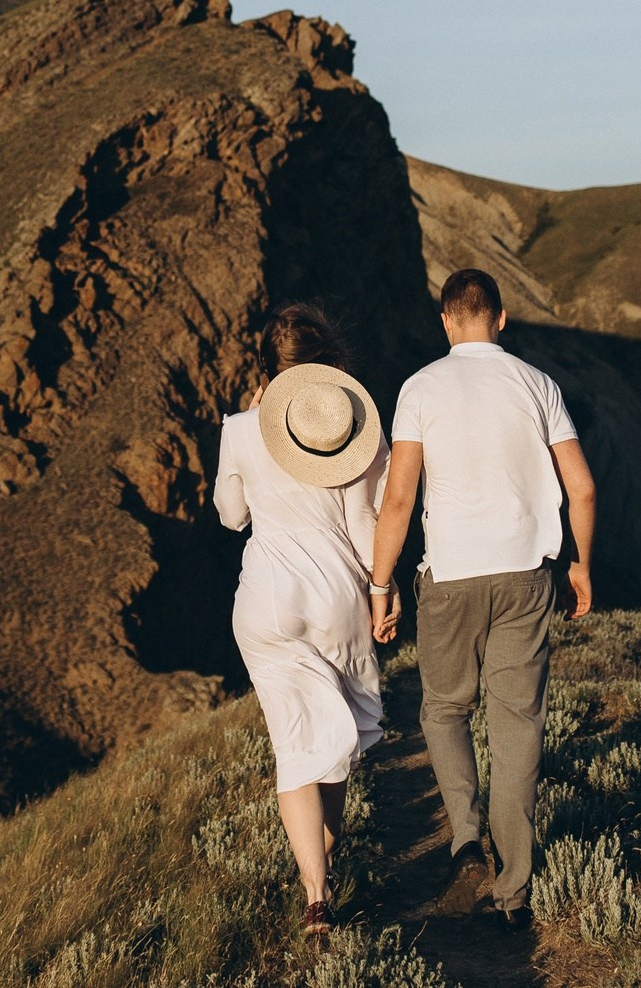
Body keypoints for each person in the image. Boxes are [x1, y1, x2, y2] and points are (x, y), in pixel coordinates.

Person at [368, 268, 597, 928]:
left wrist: (381, 584)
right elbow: (580, 488)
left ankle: (466, 837)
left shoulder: (419, 388)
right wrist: (580, 564)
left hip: (453, 575)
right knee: (516, 724)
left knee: (443, 710)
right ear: (501, 319)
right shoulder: (538, 384)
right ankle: (514, 892)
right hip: (528, 571)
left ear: (446, 321)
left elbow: (400, 497)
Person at [215, 303, 391, 936]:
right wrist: (383, 588)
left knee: (293, 749)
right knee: (337, 745)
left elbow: (231, 516)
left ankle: (315, 895)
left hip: (265, 599)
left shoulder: (240, 428)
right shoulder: (355, 430)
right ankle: (327, 863)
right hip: (336, 598)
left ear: (267, 368)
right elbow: (366, 521)